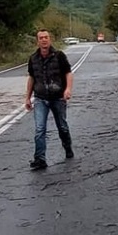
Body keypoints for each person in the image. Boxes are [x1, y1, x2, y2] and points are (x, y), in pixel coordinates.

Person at [25, 29, 74, 170]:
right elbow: (32, 78)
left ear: (50, 39)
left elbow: (68, 73)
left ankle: (67, 146)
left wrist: (68, 89)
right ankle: (40, 159)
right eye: (41, 38)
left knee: (62, 126)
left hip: (58, 98)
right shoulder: (33, 58)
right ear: (37, 41)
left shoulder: (59, 56)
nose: (44, 40)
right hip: (40, 98)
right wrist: (27, 97)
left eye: (46, 37)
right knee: (40, 129)